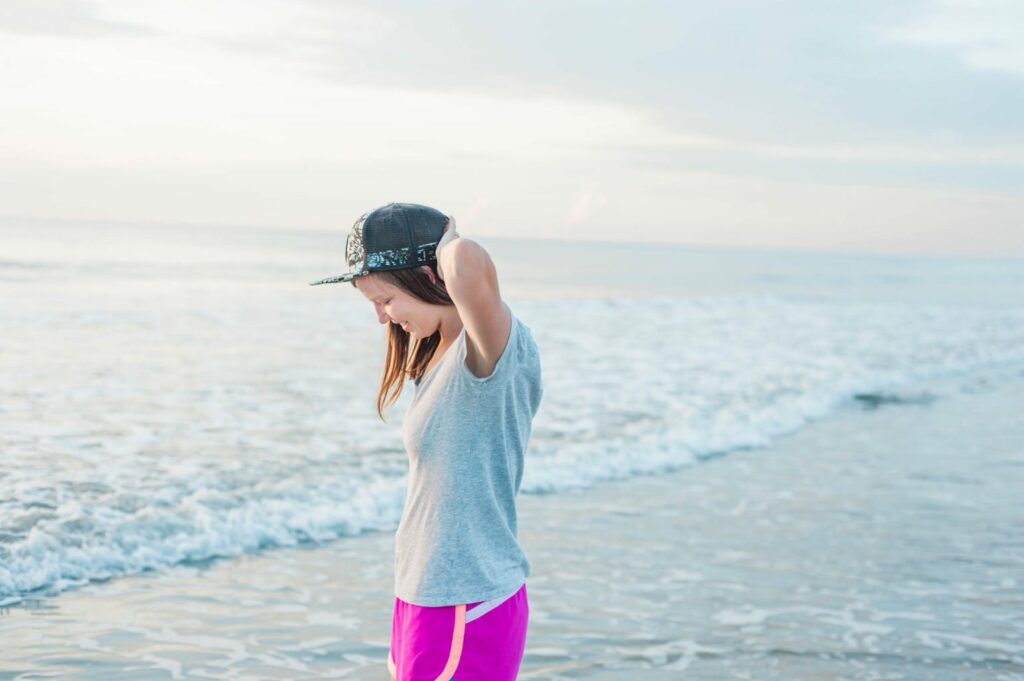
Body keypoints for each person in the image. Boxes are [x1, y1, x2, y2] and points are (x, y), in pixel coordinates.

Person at [310, 203, 544, 680]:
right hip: (425, 593)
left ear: (427, 276)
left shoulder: (489, 355)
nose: (381, 318)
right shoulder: (436, 358)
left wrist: (446, 241)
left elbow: (467, 263)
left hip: (466, 596)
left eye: (386, 300)